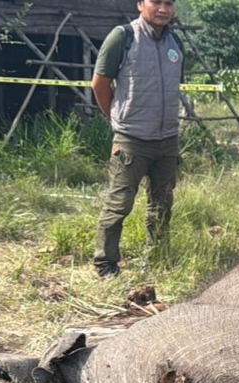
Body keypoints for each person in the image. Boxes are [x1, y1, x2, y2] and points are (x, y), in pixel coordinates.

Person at [91, 0, 183, 278]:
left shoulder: (175, 42)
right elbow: (100, 83)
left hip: (167, 139)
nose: (163, 9)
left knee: (162, 204)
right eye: (156, 2)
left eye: (169, 3)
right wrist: (117, 119)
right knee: (119, 205)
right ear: (141, 4)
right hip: (132, 140)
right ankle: (105, 264)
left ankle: (157, 258)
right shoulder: (123, 36)